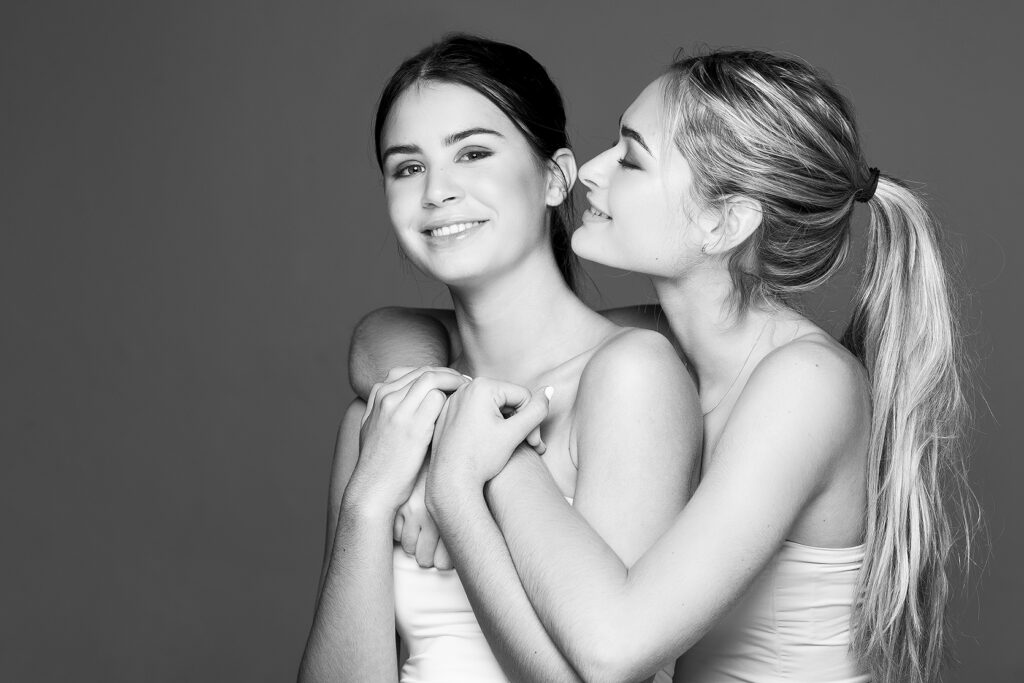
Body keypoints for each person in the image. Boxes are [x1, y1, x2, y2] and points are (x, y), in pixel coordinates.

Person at [353, 50, 973, 683]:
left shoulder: (805, 384)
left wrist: (473, 469)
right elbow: (386, 335)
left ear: (722, 221)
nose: (592, 171)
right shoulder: (657, 340)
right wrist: (431, 411)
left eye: (630, 158)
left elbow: (614, 650)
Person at [297, 35, 700, 683]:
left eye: (473, 152)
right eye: (407, 167)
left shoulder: (631, 379)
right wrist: (367, 500)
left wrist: (460, 488)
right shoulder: (388, 415)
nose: (436, 192)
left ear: (555, 177)